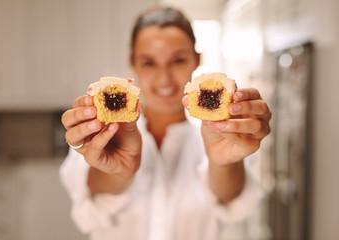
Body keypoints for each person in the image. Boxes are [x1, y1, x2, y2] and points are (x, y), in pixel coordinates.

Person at [60, 6, 271, 240]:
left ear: (196, 60)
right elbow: (95, 194)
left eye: (178, 60)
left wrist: (221, 162)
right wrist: (118, 170)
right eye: (149, 63)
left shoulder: (225, 134)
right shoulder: (98, 138)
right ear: (133, 63)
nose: (164, 78)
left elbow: (229, 199)